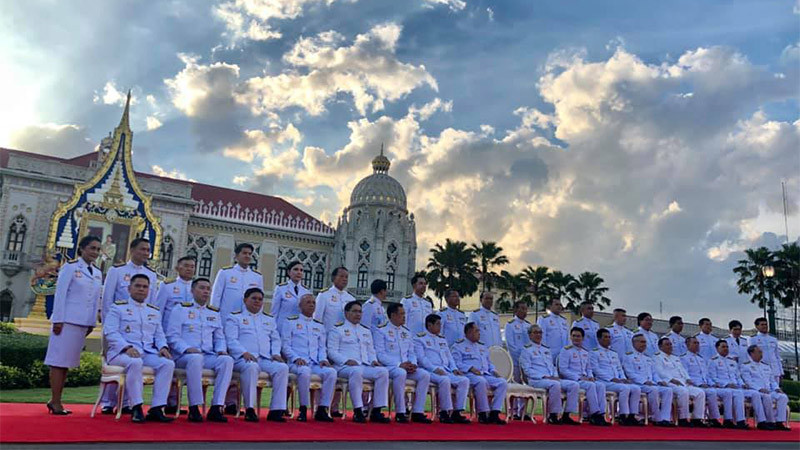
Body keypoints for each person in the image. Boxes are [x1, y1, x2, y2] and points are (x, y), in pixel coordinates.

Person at [103, 274, 174, 423]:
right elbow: (110, 331)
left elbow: (159, 334)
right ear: (129, 289)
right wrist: (126, 347)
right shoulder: (118, 308)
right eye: (138, 286)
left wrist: (163, 347)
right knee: (135, 363)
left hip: (147, 352)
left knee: (167, 363)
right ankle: (136, 406)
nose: (141, 289)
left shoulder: (153, 311)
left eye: (145, 287)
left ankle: (157, 408)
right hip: (120, 353)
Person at [99, 237, 159, 414]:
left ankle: (126, 403)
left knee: (135, 363)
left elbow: (152, 305)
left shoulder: (152, 275)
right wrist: (106, 328)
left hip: (140, 330)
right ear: (132, 250)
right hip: (117, 328)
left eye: (148, 250)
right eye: (142, 249)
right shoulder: (117, 271)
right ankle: (108, 402)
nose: (145, 253)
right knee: (117, 363)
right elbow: (107, 300)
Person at [44, 236, 103, 415]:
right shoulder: (70, 267)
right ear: (82, 249)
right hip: (66, 321)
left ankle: (56, 400)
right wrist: (58, 320)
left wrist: (92, 321)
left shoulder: (97, 272)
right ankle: (55, 401)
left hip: (82, 322)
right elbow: (61, 294)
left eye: (98, 249)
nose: (95, 252)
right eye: (92, 248)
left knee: (67, 362)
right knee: (58, 362)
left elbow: (94, 300)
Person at [166, 277, 233, 422]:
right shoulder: (181, 309)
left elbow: (219, 337)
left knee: (227, 360)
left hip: (208, 355)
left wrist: (221, 349)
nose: (205, 292)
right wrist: (186, 348)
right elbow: (172, 336)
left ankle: (217, 406)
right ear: (192, 290)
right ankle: (194, 406)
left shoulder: (213, 313)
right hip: (184, 356)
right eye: (201, 288)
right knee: (196, 359)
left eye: (208, 289)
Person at [225, 287, 289, 422]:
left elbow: (275, 339)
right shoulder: (235, 317)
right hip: (243, 359)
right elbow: (231, 340)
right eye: (254, 298)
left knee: (282, 368)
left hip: (265, 358)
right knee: (251, 368)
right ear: (245, 300)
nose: (257, 302)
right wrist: (243, 352)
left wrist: (276, 353)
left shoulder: (268, 320)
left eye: (260, 299)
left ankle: (276, 410)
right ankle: (249, 408)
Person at [327, 300, 391, 423]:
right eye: (355, 311)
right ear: (346, 313)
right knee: (356, 372)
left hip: (364, 365)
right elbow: (331, 351)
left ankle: (376, 410)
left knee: (383, 372)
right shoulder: (337, 329)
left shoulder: (365, 331)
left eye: (360, 312)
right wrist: (346, 360)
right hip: (344, 367)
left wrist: (373, 361)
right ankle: (358, 410)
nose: (358, 314)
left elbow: (371, 351)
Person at [372, 303, 433, 423]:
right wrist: (399, 364)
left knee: (424, 375)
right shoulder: (381, 330)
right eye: (402, 314)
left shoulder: (406, 332)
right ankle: (400, 411)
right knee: (400, 373)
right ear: (393, 315)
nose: (404, 316)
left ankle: (417, 411)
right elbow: (380, 354)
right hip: (389, 367)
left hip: (406, 366)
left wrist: (413, 364)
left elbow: (411, 352)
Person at [282, 294, 337, 422]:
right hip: (297, 363)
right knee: (304, 371)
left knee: (331, 372)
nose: (311, 305)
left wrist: (323, 359)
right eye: (308, 302)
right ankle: (303, 408)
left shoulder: (318, 325)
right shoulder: (290, 322)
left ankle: (322, 409)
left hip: (315, 363)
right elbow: (285, 346)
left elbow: (322, 347)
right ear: (300, 306)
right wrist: (295, 358)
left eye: (313, 302)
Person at [413, 314, 471, 424]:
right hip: (430, 371)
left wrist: (454, 368)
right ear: (430, 325)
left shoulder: (442, 339)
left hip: (445, 370)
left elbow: (449, 356)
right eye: (438, 324)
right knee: (444, 380)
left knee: (464, 380)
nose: (440, 327)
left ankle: (457, 411)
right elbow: (422, 359)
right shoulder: (420, 339)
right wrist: (434, 369)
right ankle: (444, 412)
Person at [518, 324, 580, 425]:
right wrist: (544, 376)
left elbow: (552, 366)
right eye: (535, 332)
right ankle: (553, 415)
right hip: (536, 380)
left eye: (540, 332)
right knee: (555, 385)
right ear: (530, 335)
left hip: (551, 378)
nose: (538, 335)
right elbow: (527, 369)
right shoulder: (526, 350)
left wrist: (555, 376)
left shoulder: (546, 349)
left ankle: (566, 414)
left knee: (574, 385)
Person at [452, 322, 507, 424]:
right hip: (469, 374)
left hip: (485, 374)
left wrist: (494, 371)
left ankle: (494, 412)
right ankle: (483, 413)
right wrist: (470, 368)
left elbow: (489, 363)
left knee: (502, 382)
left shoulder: (482, 346)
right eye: (476, 331)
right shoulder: (458, 346)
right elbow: (456, 363)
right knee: (480, 382)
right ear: (469, 332)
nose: (479, 333)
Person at [557, 327, 610, 426]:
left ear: (583, 338)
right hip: (572, 379)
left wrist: (590, 376)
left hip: (585, 379)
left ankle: (601, 414)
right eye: (574, 336)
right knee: (591, 386)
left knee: (601, 385)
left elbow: (589, 368)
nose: (576, 338)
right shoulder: (566, 351)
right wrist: (579, 377)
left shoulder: (585, 352)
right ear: (570, 337)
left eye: (578, 336)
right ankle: (594, 414)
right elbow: (563, 369)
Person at [590, 329, 643, 426]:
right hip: (604, 381)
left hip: (617, 381)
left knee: (636, 388)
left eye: (609, 337)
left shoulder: (613, 353)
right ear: (599, 339)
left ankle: (632, 416)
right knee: (624, 388)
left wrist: (623, 378)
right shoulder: (594, 352)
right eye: (605, 337)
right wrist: (611, 378)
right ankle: (623, 416)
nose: (608, 339)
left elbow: (619, 368)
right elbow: (595, 369)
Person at [653, 337, 706, 427]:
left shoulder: (675, 357)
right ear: (660, 347)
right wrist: (671, 379)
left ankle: (697, 418)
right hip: (670, 383)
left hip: (682, 382)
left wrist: (688, 378)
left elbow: (682, 370)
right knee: (683, 392)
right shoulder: (657, 357)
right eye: (667, 344)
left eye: (670, 344)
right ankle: (683, 418)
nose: (670, 346)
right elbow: (659, 372)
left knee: (700, 392)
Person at [623, 334, 675, 427]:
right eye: (641, 342)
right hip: (638, 384)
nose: (644, 344)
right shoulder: (628, 356)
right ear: (634, 343)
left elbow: (654, 373)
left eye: (645, 342)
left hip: (651, 384)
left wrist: (659, 381)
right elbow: (629, 373)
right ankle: (657, 418)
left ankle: (665, 418)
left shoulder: (647, 358)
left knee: (668, 390)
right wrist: (644, 381)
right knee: (653, 390)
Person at [740, 345, 791, 431]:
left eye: (761, 352)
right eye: (759, 352)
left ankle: (779, 422)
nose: (761, 354)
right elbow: (748, 381)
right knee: (766, 397)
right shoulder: (746, 366)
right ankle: (766, 422)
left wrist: (777, 388)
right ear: (752, 353)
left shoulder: (766, 366)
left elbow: (772, 381)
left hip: (769, 390)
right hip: (756, 390)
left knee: (783, 397)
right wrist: (759, 388)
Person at [680, 336, 724, 427]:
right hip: (691, 385)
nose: (697, 345)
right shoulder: (683, 358)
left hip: (704, 384)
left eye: (698, 343)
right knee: (700, 393)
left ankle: (713, 418)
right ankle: (696, 418)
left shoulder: (701, 359)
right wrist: (699, 384)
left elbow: (706, 375)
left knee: (712, 392)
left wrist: (711, 383)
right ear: (688, 345)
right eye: (694, 343)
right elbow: (685, 375)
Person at [211, 243, 263, 319]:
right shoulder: (225, 273)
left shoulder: (257, 277)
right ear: (236, 256)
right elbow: (216, 296)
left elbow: (260, 300)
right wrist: (214, 316)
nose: (247, 256)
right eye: (244, 253)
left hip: (248, 320)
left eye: (250, 254)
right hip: (226, 317)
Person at [706, 340, 750, 429]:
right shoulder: (713, 361)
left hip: (734, 387)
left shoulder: (732, 361)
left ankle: (740, 421)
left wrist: (742, 384)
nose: (726, 348)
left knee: (739, 393)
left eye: (727, 347)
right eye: (723, 347)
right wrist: (726, 384)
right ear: (717, 349)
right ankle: (727, 420)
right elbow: (712, 377)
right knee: (728, 393)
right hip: (720, 387)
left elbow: (738, 376)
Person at [503, 300, 532, 420]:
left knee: (525, 386)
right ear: (515, 310)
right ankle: (513, 411)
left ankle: (522, 412)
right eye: (522, 308)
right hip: (515, 360)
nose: (524, 311)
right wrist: (520, 358)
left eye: (526, 309)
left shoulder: (528, 325)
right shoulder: (510, 324)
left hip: (526, 361)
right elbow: (511, 344)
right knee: (515, 385)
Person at [154, 256, 196, 330]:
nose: (189, 269)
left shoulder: (197, 287)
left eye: (192, 267)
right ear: (177, 268)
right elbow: (159, 310)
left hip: (190, 330)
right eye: (186, 266)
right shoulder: (167, 286)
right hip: (169, 328)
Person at [271, 260, 311, 326]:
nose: (299, 272)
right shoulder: (280, 289)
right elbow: (274, 312)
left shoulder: (306, 291)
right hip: (283, 326)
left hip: (299, 328)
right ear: (289, 272)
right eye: (296, 269)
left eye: (301, 270)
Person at [748, 318, 783, 384]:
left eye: (766, 324)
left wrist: (781, 371)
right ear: (757, 326)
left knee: (776, 390)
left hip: (774, 369)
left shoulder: (773, 338)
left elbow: (777, 356)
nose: (765, 326)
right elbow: (750, 356)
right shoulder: (753, 339)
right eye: (762, 324)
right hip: (761, 369)